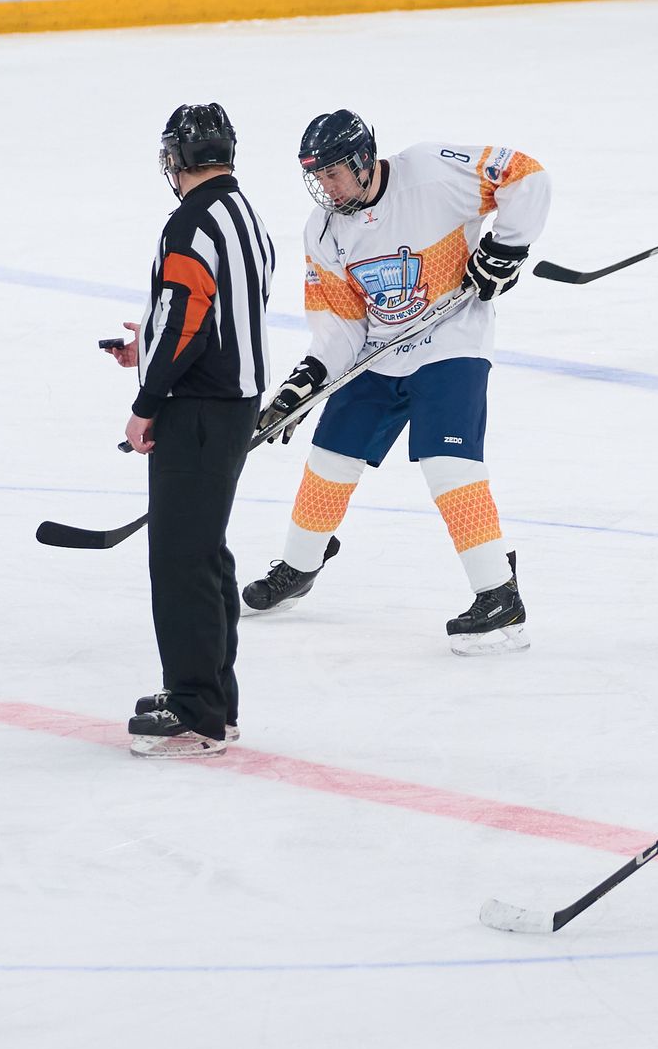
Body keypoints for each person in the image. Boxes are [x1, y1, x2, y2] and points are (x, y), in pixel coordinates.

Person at [243, 109, 551, 653]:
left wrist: (506, 248)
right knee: (330, 457)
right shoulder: (324, 231)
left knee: (447, 463)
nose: (325, 187)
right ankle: (300, 565)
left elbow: (527, 176)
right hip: (379, 353)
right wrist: (305, 383)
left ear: (364, 160)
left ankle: (499, 594)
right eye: (316, 176)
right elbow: (341, 328)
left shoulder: (431, 171)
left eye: (333, 173)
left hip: (452, 339)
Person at [106, 104, 275, 759]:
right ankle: (213, 702)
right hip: (231, 403)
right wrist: (147, 345)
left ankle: (197, 709)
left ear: (177, 158)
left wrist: (147, 399)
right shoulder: (243, 214)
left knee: (182, 559)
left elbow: (188, 321)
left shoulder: (190, 223)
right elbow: (211, 312)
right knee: (203, 552)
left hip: (198, 408)